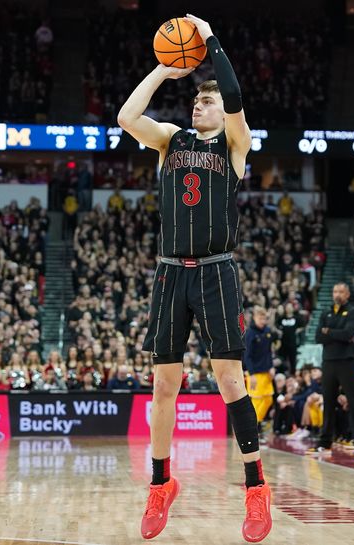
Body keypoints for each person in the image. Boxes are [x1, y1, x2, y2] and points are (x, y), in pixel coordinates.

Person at [118, 13, 271, 542]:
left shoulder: (233, 146)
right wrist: (164, 70)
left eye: (205, 101)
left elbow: (233, 96)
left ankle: (255, 487)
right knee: (164, 384)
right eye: (196, 100)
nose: (198, 104)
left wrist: (208, 39)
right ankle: (161, 482)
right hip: (169, 273)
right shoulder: (170, 142)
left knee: (231, 381)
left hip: (216, 272)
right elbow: (126, 116)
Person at [309, 283, 354, 455]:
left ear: (348, 294)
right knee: (328, 402)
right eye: (335, 291)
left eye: (341, 291)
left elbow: (348, 334)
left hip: (347, 361)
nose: (337, 294)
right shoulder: (325, 312)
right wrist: (337, 334)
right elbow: (318, 337)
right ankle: (325, 442)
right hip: (328, 362)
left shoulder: (353, 312)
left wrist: (329, 331)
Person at [243, 307, 275, 433]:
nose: (262, 320)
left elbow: (269, 351)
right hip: (255, 373)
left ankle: (256, 422)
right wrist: (251, 374)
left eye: (264, 318)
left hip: (266, 371)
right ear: (254, 318)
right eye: (260, 318)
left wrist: (271, 366)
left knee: (268, 399)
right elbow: (247, 356)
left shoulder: (267, 331)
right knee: (256, 401)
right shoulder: (250, 333)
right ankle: (251, 428)